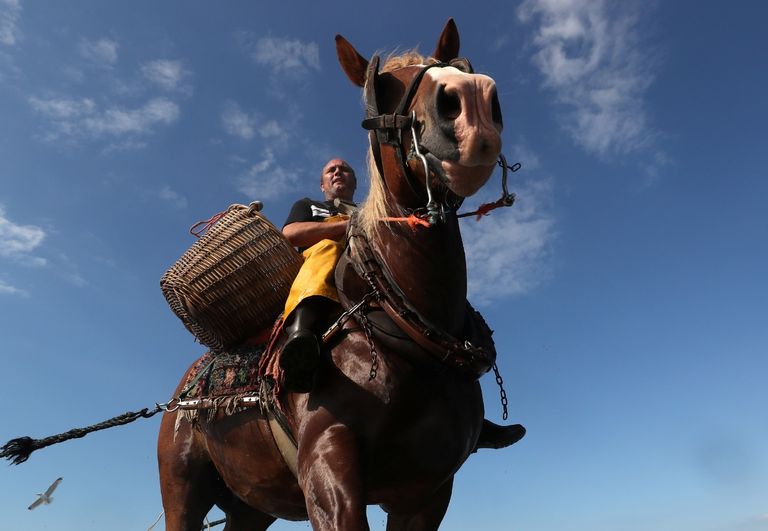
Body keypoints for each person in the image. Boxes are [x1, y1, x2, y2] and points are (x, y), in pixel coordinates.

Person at [280, 158, 525, 450]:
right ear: (322, 184)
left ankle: (471, 420)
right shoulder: (309, 206)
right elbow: (291, 234)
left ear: (355, 182)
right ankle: (301, 335)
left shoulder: (369, 209)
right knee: (326, 249)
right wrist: (347, 226)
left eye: (344, 169)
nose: (337, 173)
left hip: (367, 273)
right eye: (331, 171)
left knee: (427, 296)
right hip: (324, 268)